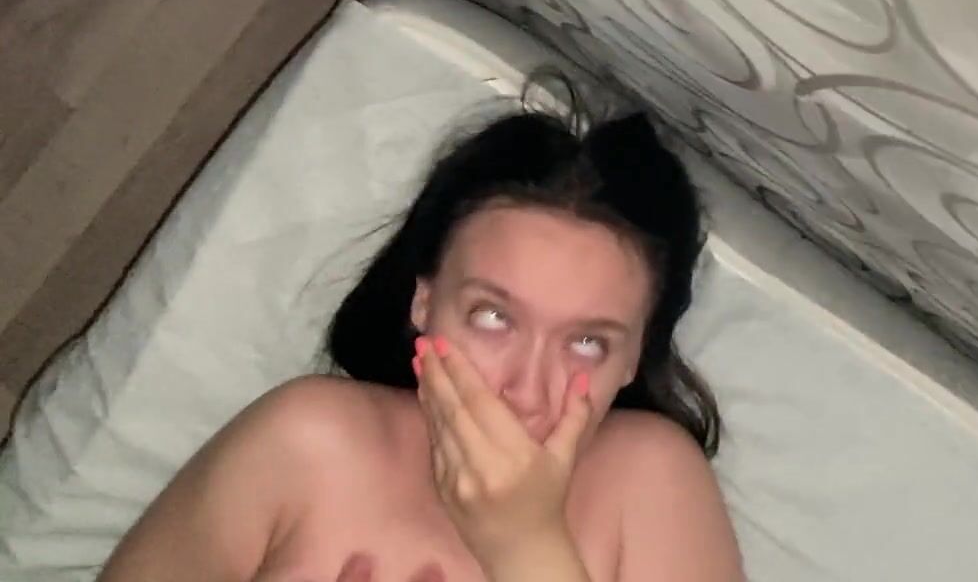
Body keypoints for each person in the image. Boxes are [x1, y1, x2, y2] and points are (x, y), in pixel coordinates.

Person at [97, 107, 744, 582]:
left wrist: (527, 547)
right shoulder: (309, 440)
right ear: (424, 303)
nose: (524, 391)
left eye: (587, 343)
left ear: (634, 358)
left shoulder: (651, 480)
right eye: (493, 317)